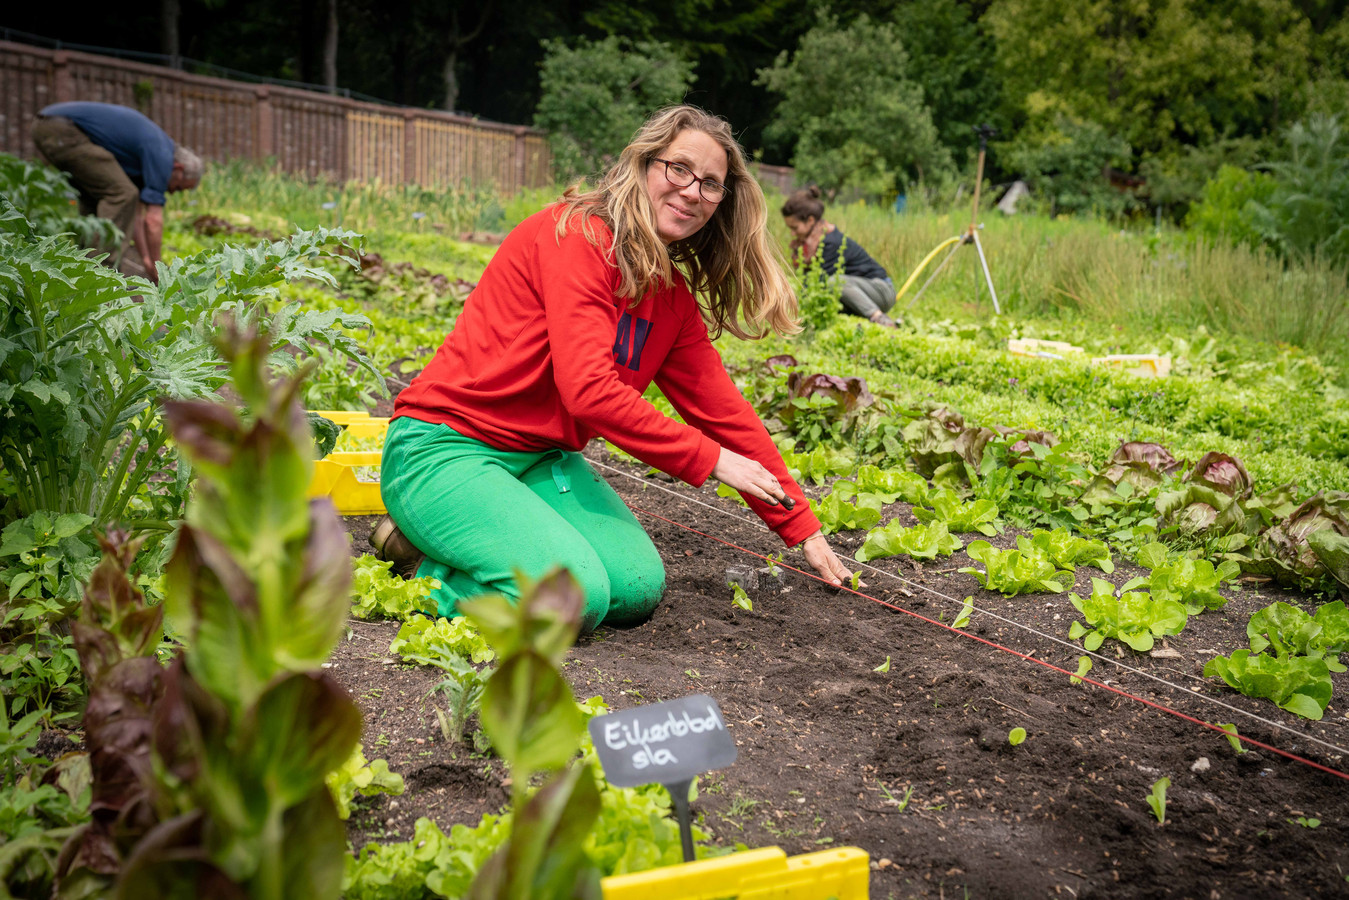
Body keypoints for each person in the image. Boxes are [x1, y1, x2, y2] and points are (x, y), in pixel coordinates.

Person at [372, 105, 855, 632]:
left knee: (633, 586)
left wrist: (802, 528)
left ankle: (474, 546)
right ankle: (427, 573)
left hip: (538, 459)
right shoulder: (577, 236)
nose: (693, 191)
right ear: (643, 164)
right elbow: (588, 391)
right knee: (573, 600)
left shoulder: (671, 299)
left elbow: (725, 414)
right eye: (679, 169)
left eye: (711, 184)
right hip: (446, 448)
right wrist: (711, 460)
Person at [31, 101, 203, 282]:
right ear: (179, 168)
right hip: (60, 128)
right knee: (122, 193)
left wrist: (147, 260)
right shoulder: (162, 155)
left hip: (49, 125)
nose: (173, 192)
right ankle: (101, 277)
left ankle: (78, 271)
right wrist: (159, 266)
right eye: (178, 188)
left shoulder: (153, 153)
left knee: (97, 200)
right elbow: (153, 219)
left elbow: (134, 214)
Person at [782, 186, 898, 327]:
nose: (792, 234)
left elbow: (817, 284)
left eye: (795, 228)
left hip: (881, 291)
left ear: (810, 221)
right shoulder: (813, 242)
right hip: (861, 291)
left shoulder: (831, 242)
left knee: (832, 283)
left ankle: (879, 318)